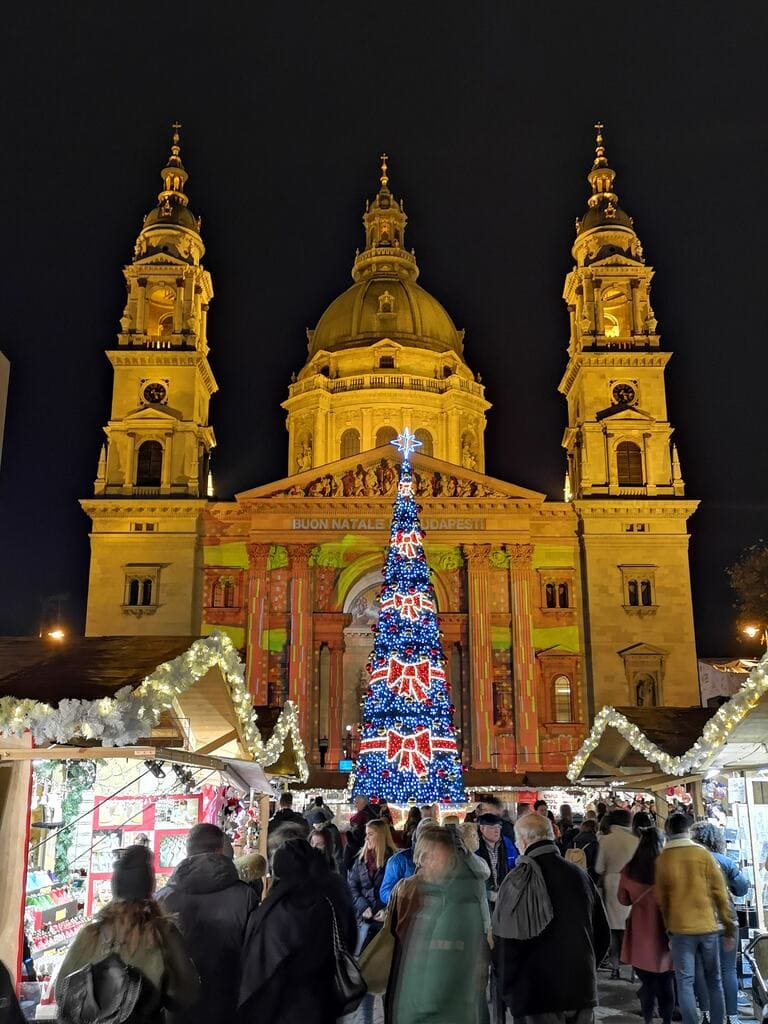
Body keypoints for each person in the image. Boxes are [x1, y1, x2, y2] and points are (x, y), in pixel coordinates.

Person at [56, 846, 199, 1023]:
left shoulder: (90, 933)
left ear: (115, 886)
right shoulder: (161, 933)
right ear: (149, 885)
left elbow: (62, 990)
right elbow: (186, 995)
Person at [492, 813, 610, 1024]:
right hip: (581, 989)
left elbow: (507, 943)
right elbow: (602, 934)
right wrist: (585, 968)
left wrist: (507, 988)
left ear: (524, 840)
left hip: (537, 994)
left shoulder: (518, 879)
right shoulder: (580, 876)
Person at [238, 838, 357, 1024]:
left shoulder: (279, 909)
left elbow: (265, 971)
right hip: (324, 999)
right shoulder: (333, 890)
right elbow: (349, 938)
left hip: (286, 1008)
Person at [386, 827, 488, 1024]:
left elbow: (438, 979)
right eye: (421, 855)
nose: (422, 861)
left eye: (431, 855)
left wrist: (415, 1016)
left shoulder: (458, 903)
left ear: (449, 859)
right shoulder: (433, 895)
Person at [157, 822, 256, 1024]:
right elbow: (255, 956)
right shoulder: (246, 896)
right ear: (220, 850)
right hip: (229, 1004)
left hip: (176, 1007)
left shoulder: (161, 899)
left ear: (187, 851)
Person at [655, 812, 736, 1024]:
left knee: (685, 981)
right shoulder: (703, 854)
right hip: (708, 926)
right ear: (688, 830)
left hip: (680, 929)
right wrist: (727, 928)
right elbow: (720, 893)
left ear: (668, 832)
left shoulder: (663, 859)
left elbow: (663, 900)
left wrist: (668, 931)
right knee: (714, 979)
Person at [691, 822, 749, 1024]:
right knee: (728, 969)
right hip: (726, 921)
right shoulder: (725, 862)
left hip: (698, 922)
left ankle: (705, 1014)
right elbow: (742, 889)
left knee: (701, 970)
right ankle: (732, 1016)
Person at [618, 827, 674, 1024]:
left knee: (648, 983)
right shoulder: (669, 867)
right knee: (667, 983)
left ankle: (648, 1019)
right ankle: (667, 1020)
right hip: (666, 929)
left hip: (640, 930)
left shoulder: (630, 868)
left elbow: (623, 899)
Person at [348, 819, 397, 1024]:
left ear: (381, 835)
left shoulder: (392, 860)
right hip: (366, 922)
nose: (366, 837)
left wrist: (386, 910)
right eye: (366, 833)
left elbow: (397, 888)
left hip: (385, 925)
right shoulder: (359, 860)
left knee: (386, 975)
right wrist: (363, 907)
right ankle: (367, 1020)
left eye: (370, 834)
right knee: (365, 974)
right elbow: (352, 887)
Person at [596, 808, 639, 979]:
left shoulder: (606, 840)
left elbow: (599, 868)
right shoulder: (636, 840)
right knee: (631, 928)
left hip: (612, 885)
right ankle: (634, 969)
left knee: (613, 930)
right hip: (633, 885)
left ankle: (615, 968)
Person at [380, 819, 442, 903]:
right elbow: (384, 892)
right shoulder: (398, 860)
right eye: (425, 835)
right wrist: (404, 897)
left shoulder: (444, 860)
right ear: (416, 837)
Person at [475, 812, 519, 911]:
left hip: (506, 896)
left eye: (499, 827)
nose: (496, 831)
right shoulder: (475, 846)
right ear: (482, 829)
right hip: (483, 899)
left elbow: (515, 867)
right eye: (492, 827)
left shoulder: (507, 843)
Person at [344, 794, 379, 871]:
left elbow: (353, 823)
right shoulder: (371, 812)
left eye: (357, 803)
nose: (355, 805)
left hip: (361, 846)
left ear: (363, 803)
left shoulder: (362, 814)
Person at [573, 818, 600, 883]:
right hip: (588, 875)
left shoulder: (574, 841)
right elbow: (595, 863)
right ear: (595, 829)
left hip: (573, 872)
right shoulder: (594, 843)